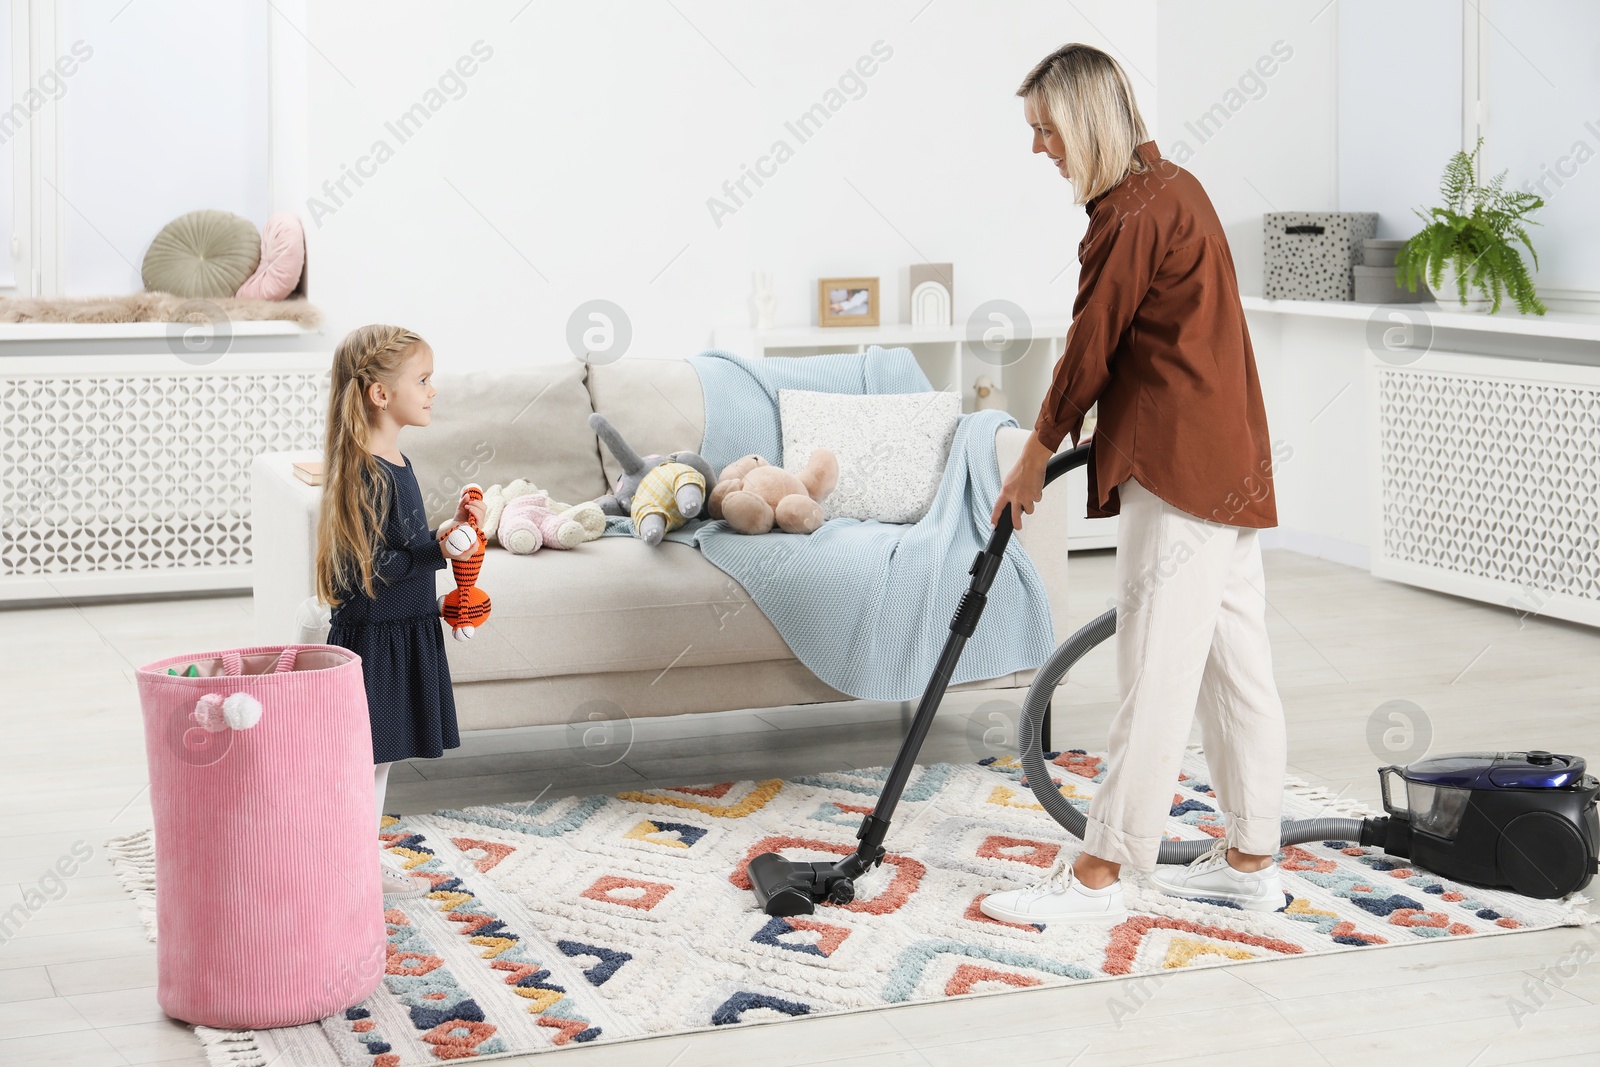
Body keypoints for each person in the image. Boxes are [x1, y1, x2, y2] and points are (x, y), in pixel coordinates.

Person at [981, 44, 1289, 925]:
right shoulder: (1178, 188)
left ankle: (1102, 877)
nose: (1039, 148)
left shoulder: (1131, 211)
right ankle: (1251, 858)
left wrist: (1037, 447)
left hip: (1179, 465)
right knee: (1236, 666)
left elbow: (1090, 347)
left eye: (1046, 129)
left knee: (1155, 667)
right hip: (1228, 463)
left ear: (1085, 121)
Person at [314, 324, 483, 898]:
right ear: (379, 394)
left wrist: (440, 560)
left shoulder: (396, 459)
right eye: (424, 379)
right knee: (365, 763)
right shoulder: (365, 467)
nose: (434, 391)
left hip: (400, 629)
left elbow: (399, 549)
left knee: (378, 762)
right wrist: (437, 550)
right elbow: (362, 570)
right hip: (373, 642)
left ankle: (359, 861)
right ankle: (350, 866)